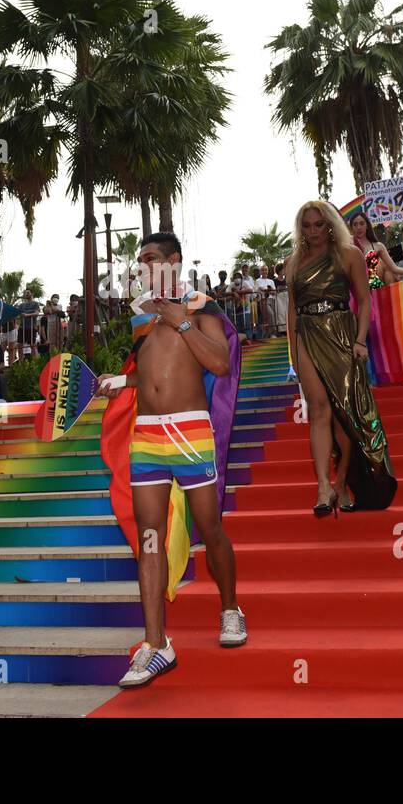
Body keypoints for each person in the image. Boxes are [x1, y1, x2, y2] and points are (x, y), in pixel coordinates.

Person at [97, 232, 244, 689]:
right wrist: (121, 382)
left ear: (174, 261)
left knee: (210, 528)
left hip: (190, 431)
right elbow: (150, 371)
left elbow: (219, 363)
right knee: (149, 538)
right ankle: (157, 643)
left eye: (152, 258)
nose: (143, 266)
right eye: (140, 260)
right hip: (147, 435)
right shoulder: (140, 313)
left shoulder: (201, 305)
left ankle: (230, 608)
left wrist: (183, 323)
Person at [284, 200, 398, 516]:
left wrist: (360, 341)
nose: (313, 231)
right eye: (307, 226)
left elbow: (364, 300)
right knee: (319, 409)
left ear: (331, 224)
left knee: (344, 415)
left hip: (342, 334)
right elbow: (292, 309)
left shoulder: (350, 255)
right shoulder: (293, 261)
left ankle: (342, 481)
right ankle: (323, 486)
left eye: (319, 224)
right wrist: (293, 351)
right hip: (306, 334)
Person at [18, 289, 40, 357]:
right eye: (25, 293)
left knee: (32, 345)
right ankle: (21, 363)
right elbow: (19, 314)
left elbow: (37, 313)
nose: (26, 294)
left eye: (28, 292)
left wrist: (27, 315)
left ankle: (36, 362)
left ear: (32, 294)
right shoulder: (21, 305)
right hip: (22, 327)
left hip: (31, 327)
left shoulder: (35, 303)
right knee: (19, 346)